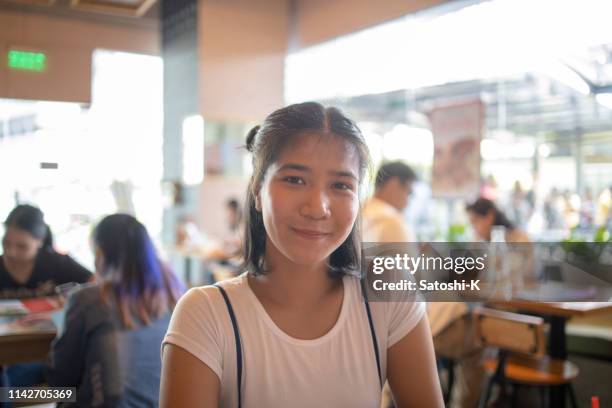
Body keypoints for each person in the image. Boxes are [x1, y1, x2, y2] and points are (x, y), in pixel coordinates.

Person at [160, 102, 443, 407]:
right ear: (257, 190)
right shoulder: (207, 315)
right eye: (294, 179)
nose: (317, 207)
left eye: (340, 185)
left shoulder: (387, 295)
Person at [47, 214, 184, 407]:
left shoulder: (88, 300)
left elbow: (60, 381)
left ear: (100, 254)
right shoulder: (176, 295)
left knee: (11, 391)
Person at [0, 204, 91, 299]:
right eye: (6, 243)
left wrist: (73, 300)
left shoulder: (57, 263)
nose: (11, 252)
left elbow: (97, 285)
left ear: (40, 242)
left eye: (22, 246)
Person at [362, 161, 417, 243]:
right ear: (393, 185)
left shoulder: (358, 210)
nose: (408, 202)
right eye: (409, 193)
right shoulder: (394, 223)